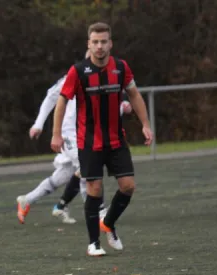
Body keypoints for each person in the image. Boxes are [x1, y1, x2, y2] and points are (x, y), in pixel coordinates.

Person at [52, 22, 153, 256]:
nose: (99, 46)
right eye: (95, 42)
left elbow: (135, 95)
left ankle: (107, 223)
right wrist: (56, 133)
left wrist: (146, 124)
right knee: (94, 189)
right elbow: (61, 102)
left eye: (104, 41)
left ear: (110, 43)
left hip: (117, 140)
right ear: (89, 44)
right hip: (89, 142)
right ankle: (94, 243)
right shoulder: (78, 71)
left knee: (128, 187)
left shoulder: (120, 67)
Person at [17, 51, 132, 225]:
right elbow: (51, 96)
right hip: (69, 133)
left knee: (63, 176)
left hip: (88, 133)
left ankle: (27, 200)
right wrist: (38, 124)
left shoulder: (107, 78)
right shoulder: (75, 75)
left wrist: (122, 107)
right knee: (88, 167)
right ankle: (99, 212)